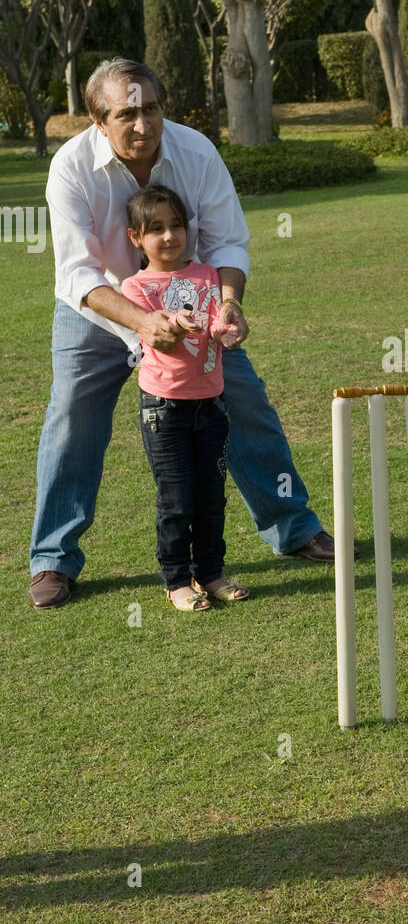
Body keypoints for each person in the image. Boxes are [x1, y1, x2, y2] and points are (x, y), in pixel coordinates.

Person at [29, 58, 335, 611]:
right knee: (72, 416)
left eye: (151, 109)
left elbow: (227, 244)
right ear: (99, 121)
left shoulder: (195, 151)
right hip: (98, 310)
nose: (143, 125)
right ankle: (52, 559)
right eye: (127, 114)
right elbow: (78, 272)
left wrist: (229, 306)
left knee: (244, 403)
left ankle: (295, 528)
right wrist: (144, 325)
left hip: (190, 309)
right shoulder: (69, 167)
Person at [121, 184, 249, 611]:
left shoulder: (206, 275)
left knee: (212, 494)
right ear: (135, 238)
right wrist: (177, 321)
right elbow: (163, 341)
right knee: (177, 498)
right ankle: (176, 581)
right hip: (165, 410)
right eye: (155, 228)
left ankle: (210, 574)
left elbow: (212, 326)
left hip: (211, 405)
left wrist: (225, 329)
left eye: (177, 225)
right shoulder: (135, 289)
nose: (170, 236)